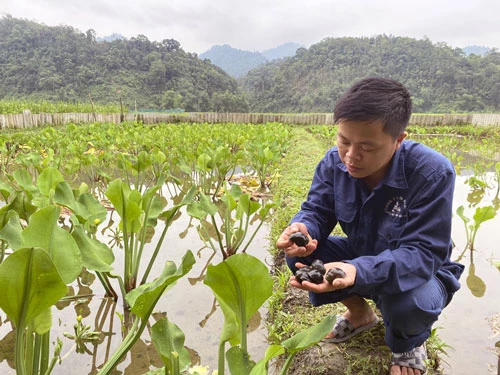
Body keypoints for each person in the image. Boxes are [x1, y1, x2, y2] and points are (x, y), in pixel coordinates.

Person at [276, 77, 464, 375]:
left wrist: (358, 271)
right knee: (298, 254)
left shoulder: (431, 172)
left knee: (408, 304)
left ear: (399, 139)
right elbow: (317, 209)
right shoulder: (333, 163)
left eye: (366, 146)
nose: (351, 156)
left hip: (420, 269)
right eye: (344, 141)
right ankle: (360, 314)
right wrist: (304, 229)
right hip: (363, 251)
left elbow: (424, 253)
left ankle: (408, 344)